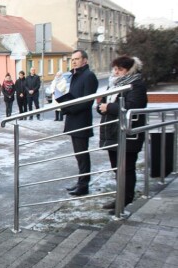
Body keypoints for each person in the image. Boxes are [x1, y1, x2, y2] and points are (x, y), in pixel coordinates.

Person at [97, 56, 147, 215]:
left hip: (128, 135)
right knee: (117, 169)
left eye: (120, 69)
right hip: (112, 132)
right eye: (115, 69)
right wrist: (101, 107)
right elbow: (103, 104)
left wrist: (109, 107)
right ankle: (120, 197)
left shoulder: (136, 85)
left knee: (126, 169)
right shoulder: (114, 85)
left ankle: (125, 200)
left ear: (129, 70)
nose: (116, 72)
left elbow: (133, 106)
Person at [58, 50, 98, 196]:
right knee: (78, 155)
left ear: (85, 60)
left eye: (77, 59)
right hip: (73, 119)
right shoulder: (73, 75)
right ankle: (80, 182)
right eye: (72, 59)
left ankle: (83, 185)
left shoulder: (89, 76)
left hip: (81, 121)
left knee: (82, 155)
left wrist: (68, 108)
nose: (73, 61)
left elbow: (87, 102)